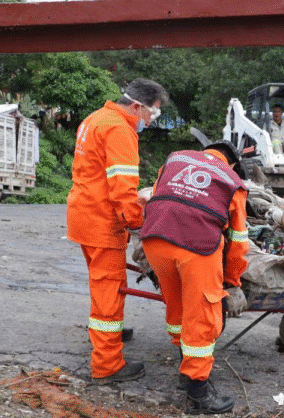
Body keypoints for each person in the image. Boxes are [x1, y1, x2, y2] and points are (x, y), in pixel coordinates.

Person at [66, 78, 168, 384]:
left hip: (84, 215)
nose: (151, 121)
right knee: (108, 291)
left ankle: (108, 334)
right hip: (102, 222)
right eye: (153, 113)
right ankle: (108, 363)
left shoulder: (96, 118)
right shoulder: (120, 130)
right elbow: (123, 188)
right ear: (137, 106)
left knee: (101, 286)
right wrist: (138, 223)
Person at [140, 140, 249, 414]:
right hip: (197, 247)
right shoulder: (233, 181)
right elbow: (238, 241)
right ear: (232, 163)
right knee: (201, 317)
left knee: (177, 309)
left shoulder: (175, 159)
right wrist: (232, 281)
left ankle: (184, 372)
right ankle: (198, 394)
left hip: (155, 241)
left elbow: (156, 197)